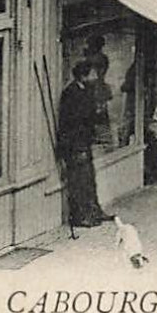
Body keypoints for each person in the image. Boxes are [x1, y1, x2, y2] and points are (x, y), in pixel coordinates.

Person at [56, 61, 112, 228]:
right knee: (78, 180)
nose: (95, 77)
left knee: (89, 179)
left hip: (84, 142)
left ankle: (94, 211)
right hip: (74, 144)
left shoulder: (86, 90)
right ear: (83, 76)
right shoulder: (70, 93)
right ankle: (80, 217)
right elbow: (70, 121)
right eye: (92, 74)